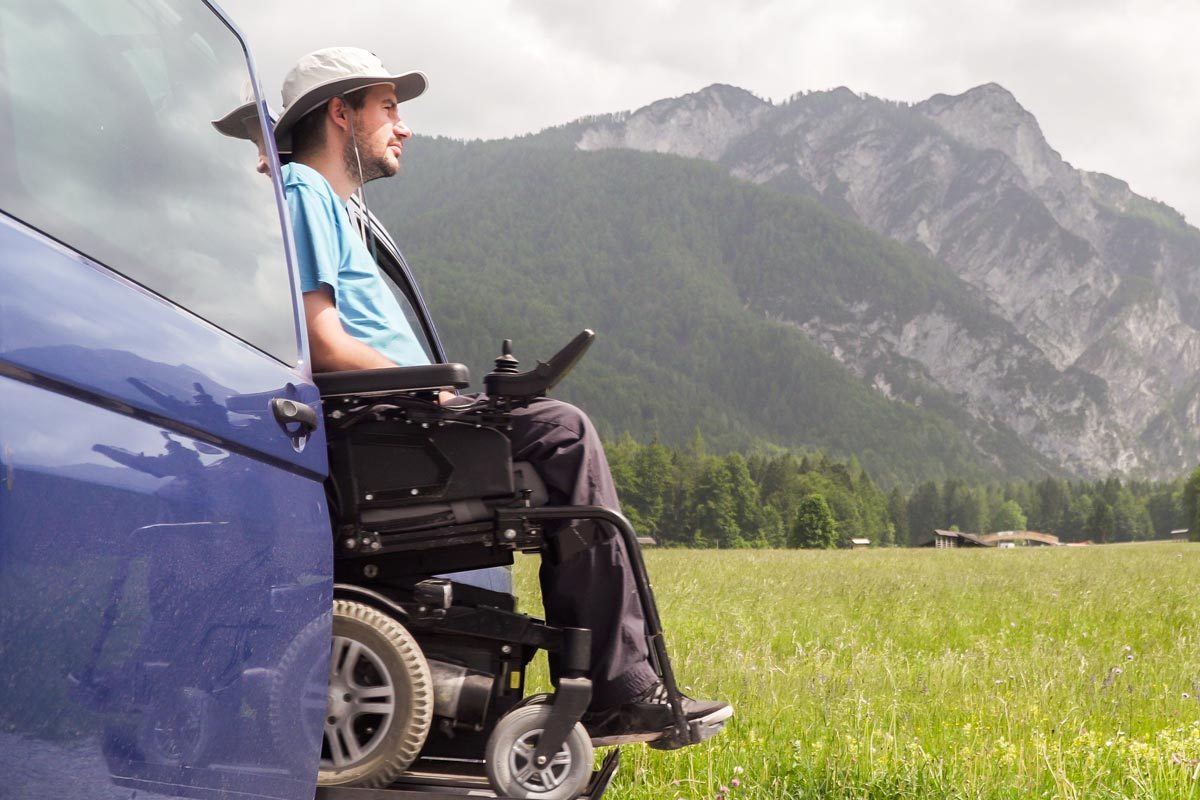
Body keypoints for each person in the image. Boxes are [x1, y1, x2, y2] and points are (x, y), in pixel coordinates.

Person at [272, 47, 730, 745]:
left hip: (398, 422)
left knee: (558, 445)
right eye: (389, 107)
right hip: (383, 432)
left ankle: (615, 684)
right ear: (341, 112)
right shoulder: (306, 189)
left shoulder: (337, 207)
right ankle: (619, 688)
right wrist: (439, 392)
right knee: (564, 436)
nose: (406, 126)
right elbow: (323, 340)